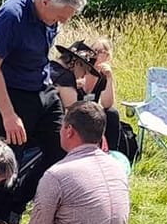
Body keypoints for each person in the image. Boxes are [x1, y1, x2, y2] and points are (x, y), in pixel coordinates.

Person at [0, 0, 88, 224]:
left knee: (63, 146)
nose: (62, 22)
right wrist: (8, 115)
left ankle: (19, 201)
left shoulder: (51, 1)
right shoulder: (12, 16)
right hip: (10, 92)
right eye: (61, 17)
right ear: (46, 2)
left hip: (41, 86)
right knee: (4, 163)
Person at [51, 34, 140, 164]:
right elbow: (72, 114)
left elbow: (107, 104)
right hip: (55, 127)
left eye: (101, 52)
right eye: (85, 69)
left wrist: (109, 78)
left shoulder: (50, 68)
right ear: (77, 63)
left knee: (111, 114)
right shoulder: (66, 79)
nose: (85, 74)